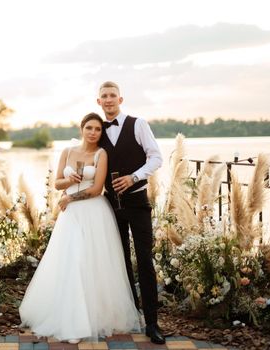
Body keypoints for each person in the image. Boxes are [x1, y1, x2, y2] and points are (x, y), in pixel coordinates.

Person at [19, 112, 140, 343]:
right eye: (89, 128)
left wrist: (70, 198)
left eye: (97, 129)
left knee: (91, 262)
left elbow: (96, 189)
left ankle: (94, 317)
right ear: (82, 128)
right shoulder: (67, 151)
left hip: (93, 212)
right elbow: (57, 183)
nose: (93, 132)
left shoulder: (100, 154)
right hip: (70, 215)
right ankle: (69, 316)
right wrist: (70, 181)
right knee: (69, 261)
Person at [96, 81, 166, 344]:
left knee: (145, 262)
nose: (109, 100)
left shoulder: (138, 124)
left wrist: (134, 177)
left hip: (137, 204)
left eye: (113, 95)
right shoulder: (97, 131)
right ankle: (131, 315)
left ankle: (152, 323)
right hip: (110, 206)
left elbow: (156, 157)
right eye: (104, 96)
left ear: (120, 99)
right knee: (121, 262)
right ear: (99, 102)